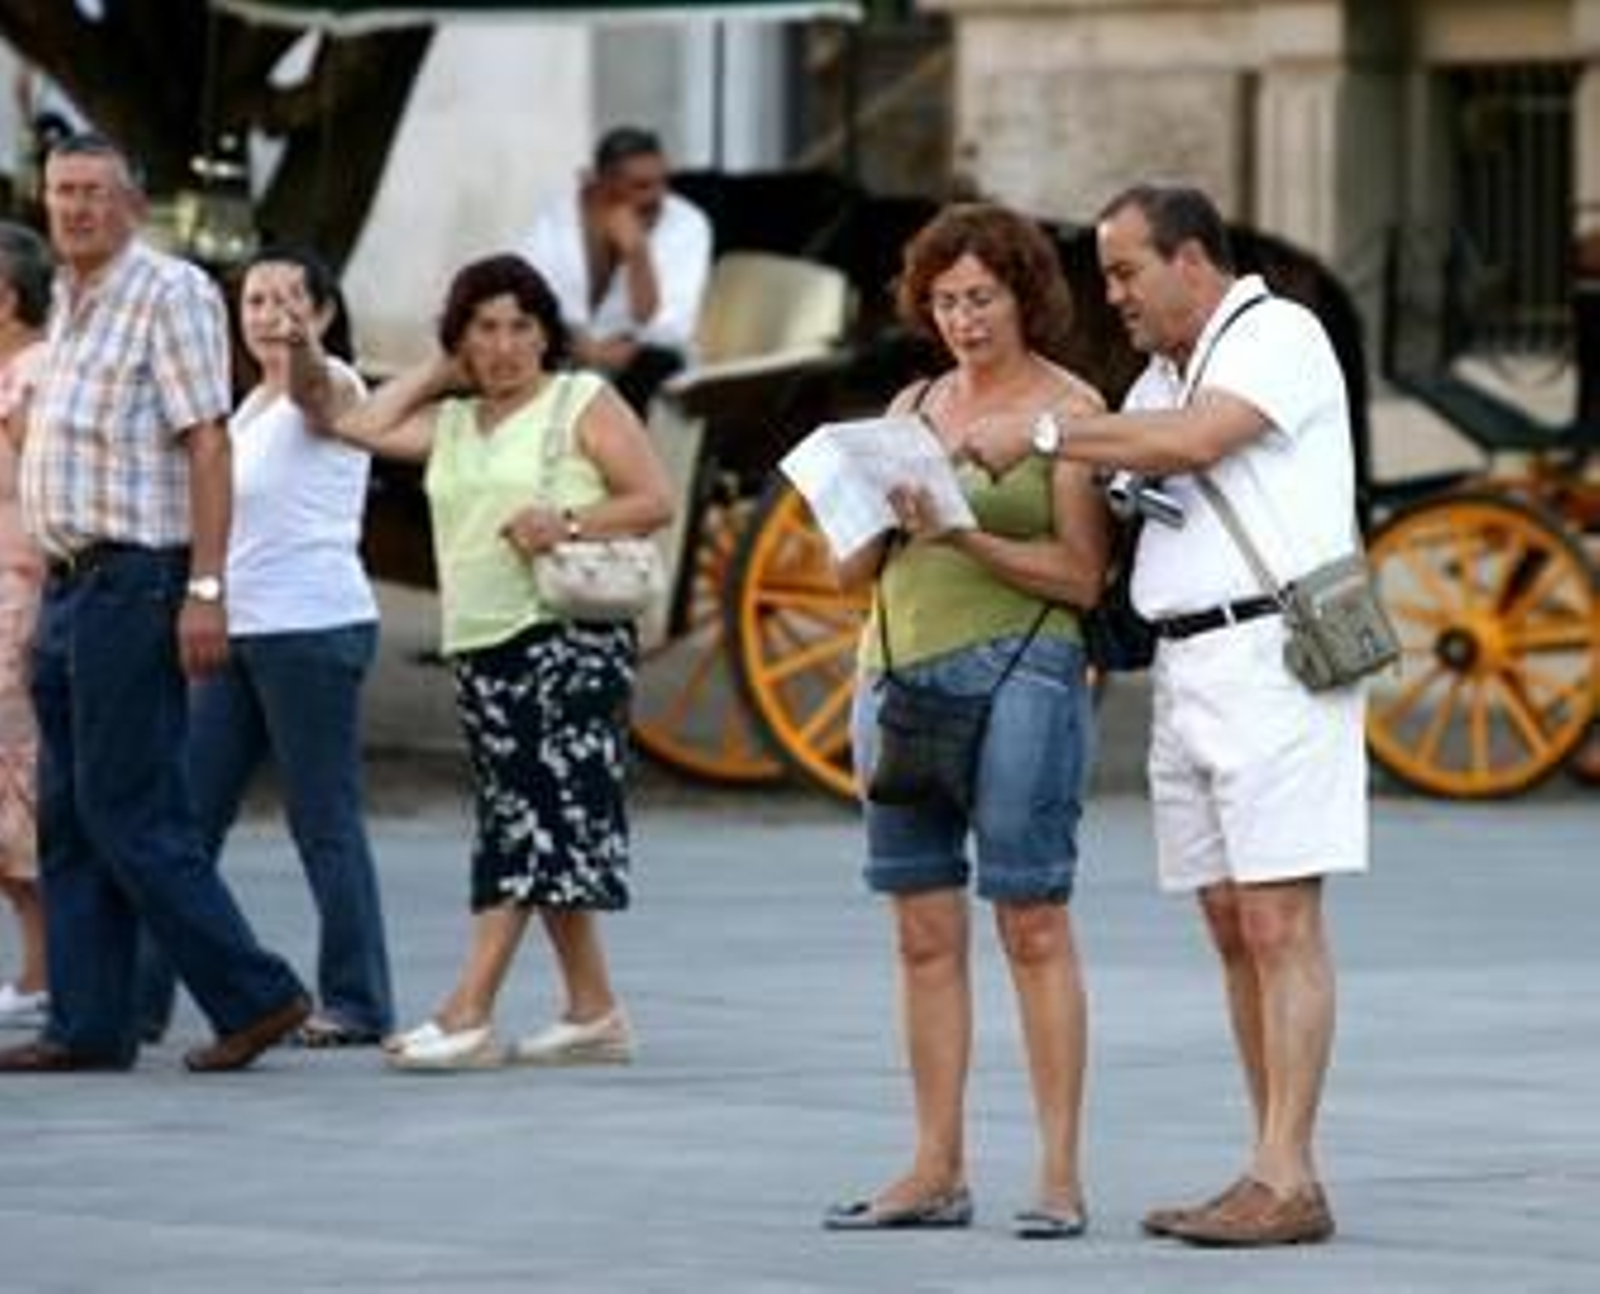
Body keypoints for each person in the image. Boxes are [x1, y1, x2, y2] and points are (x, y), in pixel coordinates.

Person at [966, 182, 1366, 1247]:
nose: (1115, 295)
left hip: (1274, 653)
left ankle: (1286, 1176)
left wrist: (1047, 431)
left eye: (1126, 271)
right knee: (1231, 923)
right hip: (1186, 667)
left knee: (1281, 918)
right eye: (1107, 274)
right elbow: (1139, 467)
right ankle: (1272, 1164)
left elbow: (1194, 444)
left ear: (1192, 259)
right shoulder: (1150, 378)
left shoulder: (1276, 332)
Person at [822, 204, 1109, 1238]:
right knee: (920, 931)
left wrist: (962, 531)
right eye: (944, 300)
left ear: (1023, 294)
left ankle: (1059, 1175)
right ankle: (933, 1165)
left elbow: (1081, 576)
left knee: (1030, 920)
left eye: (980, 296)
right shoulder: (914, 401)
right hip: (893, 672)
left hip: (1024, 668)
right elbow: (850, 568)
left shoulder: (1072, 409)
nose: (962, 318)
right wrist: (875, 519)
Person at [0, 132, 309, 1074]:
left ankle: (256, 993)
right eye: (62, 193)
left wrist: (205, 588)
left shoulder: (166, 291)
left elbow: (207, 445)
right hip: (68, 581)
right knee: (67, 809)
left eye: (95, 191)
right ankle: (88, 1025)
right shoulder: (68, 297)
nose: (76, 208)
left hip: (138, 580)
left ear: (131, 202)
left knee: (128, 807)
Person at [328, 252, 672, 1072]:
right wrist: (441, 369)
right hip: (481, 645)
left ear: (547, 333)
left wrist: (568, 521)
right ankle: (593, 1013)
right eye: (486, 327)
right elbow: (359, 426)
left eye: (522, 325)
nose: (507, 343)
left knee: (518, 829)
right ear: (462, 338)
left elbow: (654, 499)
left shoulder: (579, 400)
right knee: (538, 825)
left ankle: (468, 1012)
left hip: (567, 640)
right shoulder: (450, 423)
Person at [135, 246, 395, 1048]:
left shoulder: (339, 386)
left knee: (323, 821)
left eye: (287, 301)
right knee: (184, 824)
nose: (269, 317)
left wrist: (306, 350)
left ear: (321, 312)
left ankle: (356, 1000)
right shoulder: (242, 411)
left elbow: (317, 390)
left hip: (311, 629)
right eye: (254, 302)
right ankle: (142, 1000)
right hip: (239, 633)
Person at [517, 125, 712, 413]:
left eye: (663, 182)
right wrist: (579, 347)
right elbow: (524, 295)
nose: (658, 197)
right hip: (566, 352)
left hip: (640, 360)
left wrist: (638, 254)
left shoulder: (687, 224)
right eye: (642, 186)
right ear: (602, 183)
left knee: (655, 363)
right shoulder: (556, 221)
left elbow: (669, 325)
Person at [0, 221, 50, 1028]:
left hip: (21, 594)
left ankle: (48, 967)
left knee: (21, 787)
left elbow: (44, 497)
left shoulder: (35, 377)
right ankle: (40, 966)